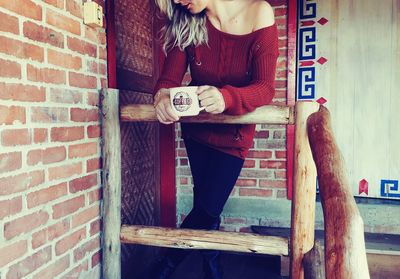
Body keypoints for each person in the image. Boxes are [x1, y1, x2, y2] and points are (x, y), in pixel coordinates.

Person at [152, 0, 278, 278]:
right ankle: (212, 266)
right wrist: (161, 96)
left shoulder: (260, 12)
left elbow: (265, 87)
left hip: (235, 136)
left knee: (208, 208)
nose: (177, 1)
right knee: (207, 208)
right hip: (196, 132)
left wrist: (227, 97)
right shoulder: (187, 21)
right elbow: (168, 80)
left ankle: (163, 267)